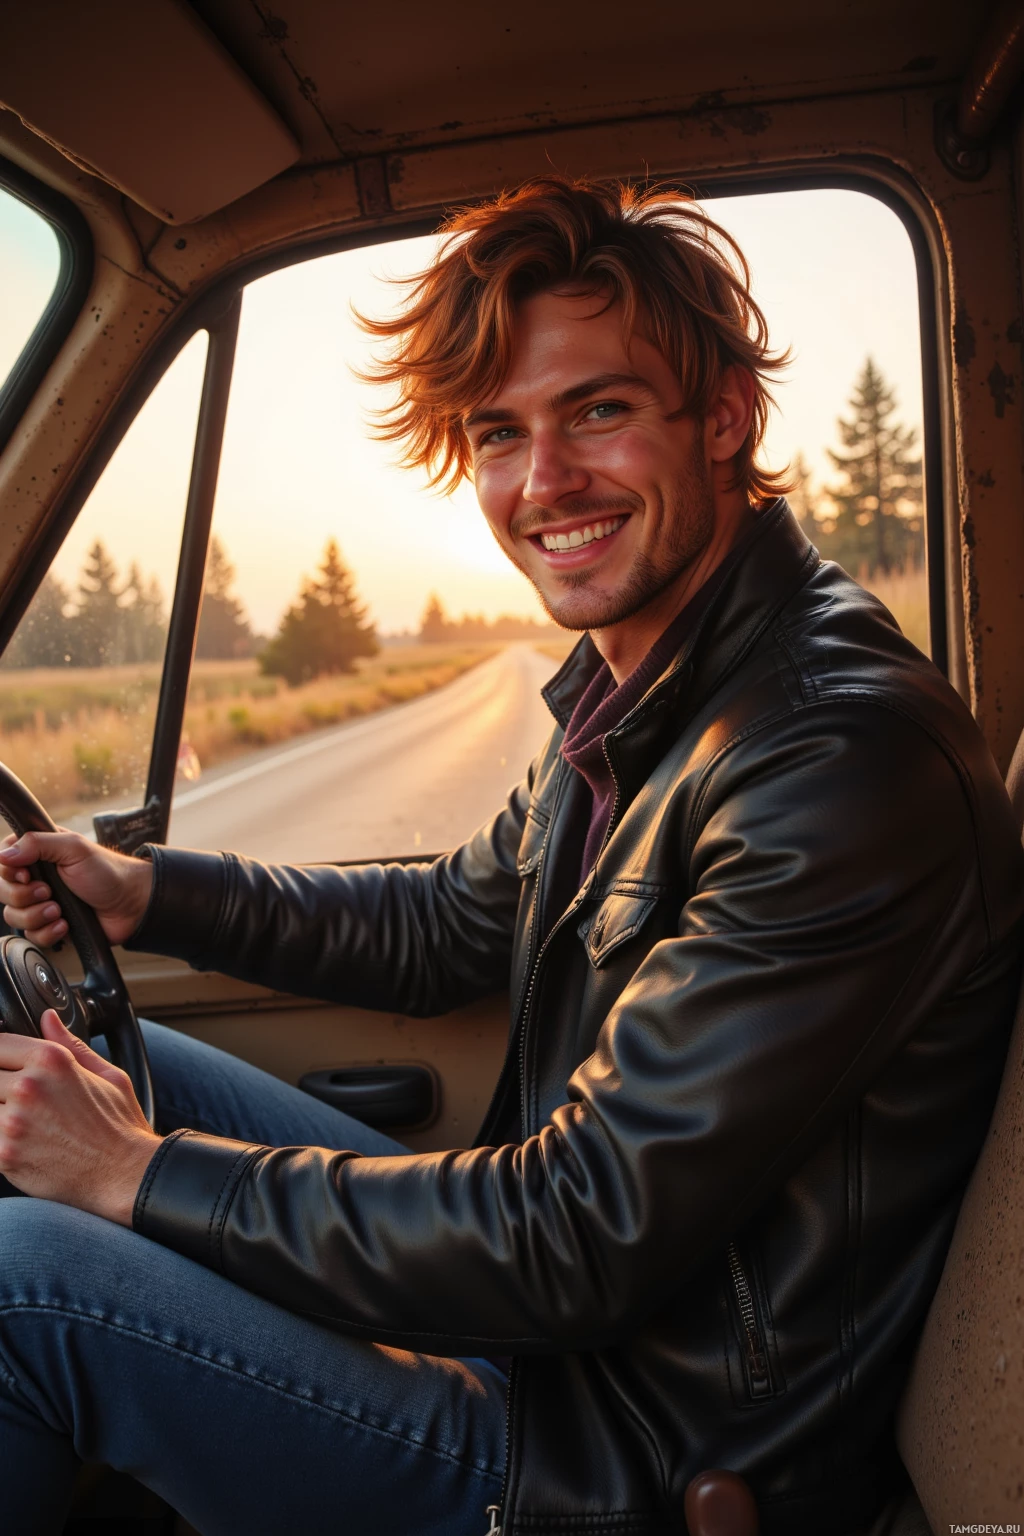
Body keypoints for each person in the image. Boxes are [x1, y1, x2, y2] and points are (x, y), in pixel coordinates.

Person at [0, 177, 1021, 1536]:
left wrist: (132, 1175)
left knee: (21, 1287)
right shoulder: (642, 685)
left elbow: (577, 1235)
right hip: (585, 1353)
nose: (545, 483)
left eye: (598, 409)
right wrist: (149, 892)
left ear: (722, 419)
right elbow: (443, 925)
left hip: (641, 1464)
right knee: (121, 1066)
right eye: (499, 432)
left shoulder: (834, 761)